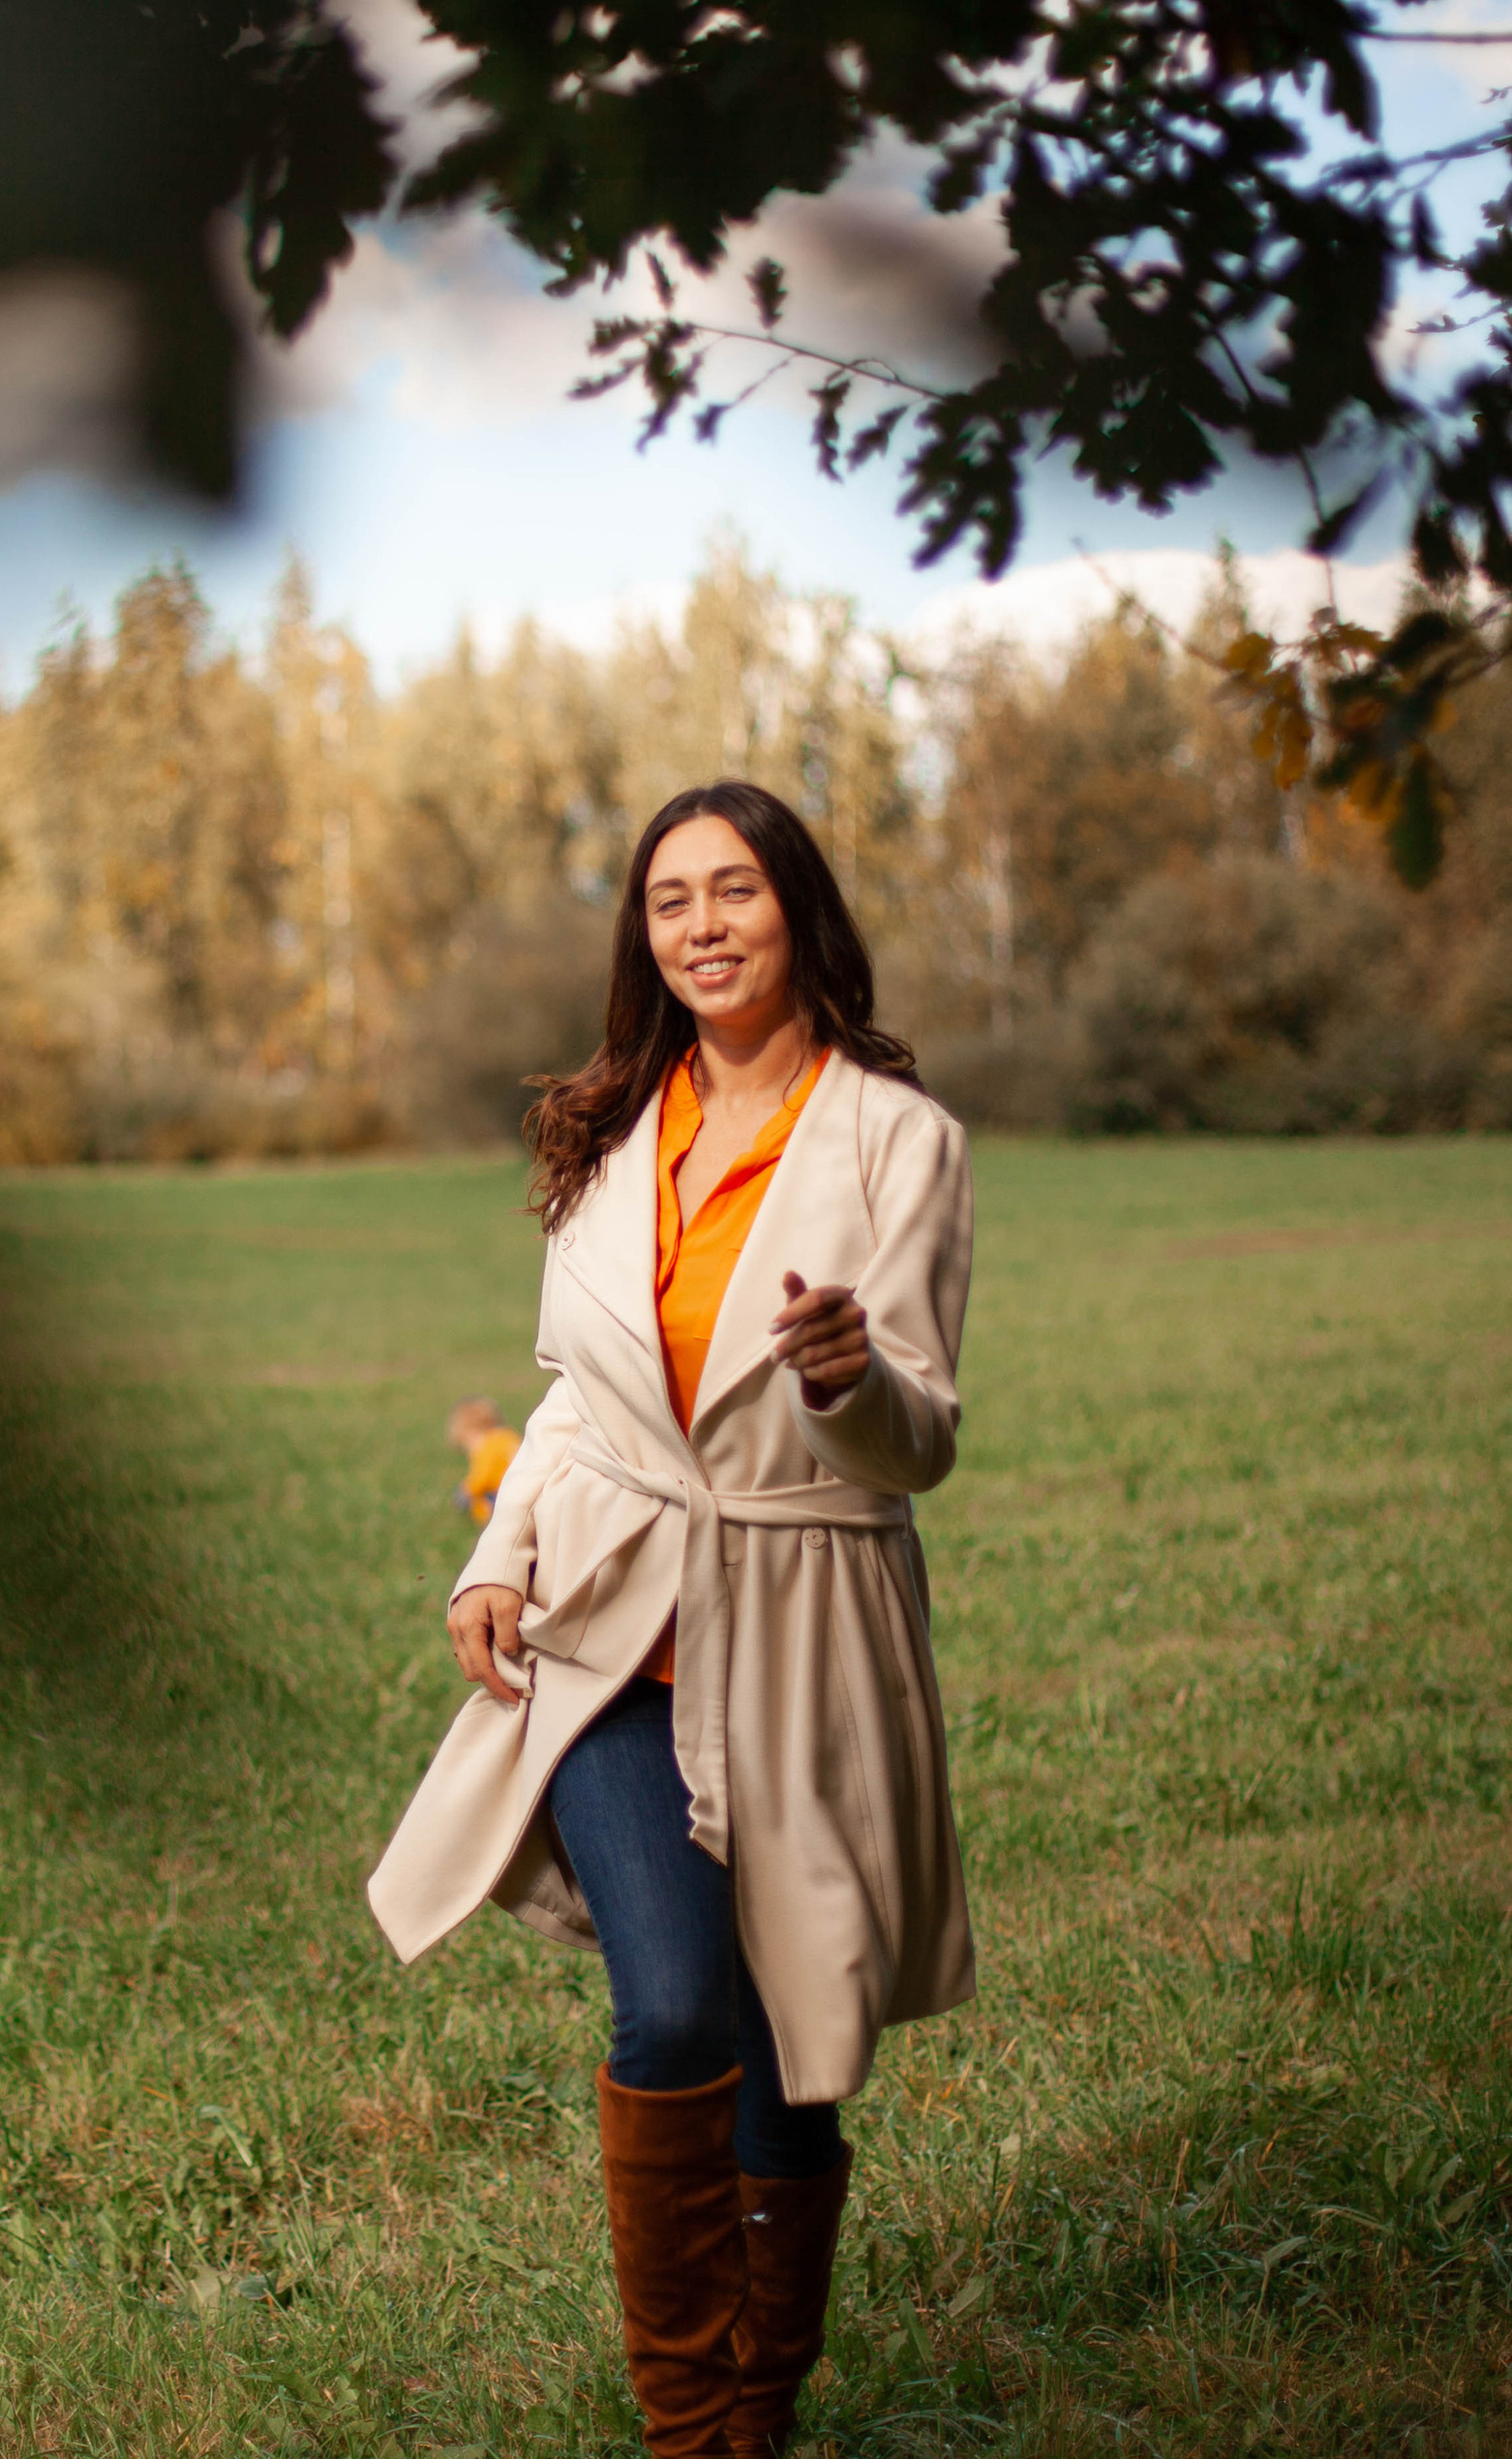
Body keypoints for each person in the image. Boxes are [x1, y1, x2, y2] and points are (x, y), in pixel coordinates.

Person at [368, 782, 976, 2459]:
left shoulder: (896, 1141)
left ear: (801, 911)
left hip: (805, 1625)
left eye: (737, 891)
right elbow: (580, 1400)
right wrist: (494, 1557)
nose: (702, 925)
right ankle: (692, 2430)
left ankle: (763, 2404)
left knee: (797, 2042)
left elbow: (925, 1430)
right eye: (668, 902)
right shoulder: (611, 1133)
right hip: (612, 1630)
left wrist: (854, 1383)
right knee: (676, 2009)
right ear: (643, 937)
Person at [446, 1396, 523, 1527]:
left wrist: (467, 1490)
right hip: (527, 1485)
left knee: (477, 1503)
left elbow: (482, 1476)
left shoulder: (486, 1446)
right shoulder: (507, 1435)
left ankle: (491, 1520)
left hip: (506, 1492)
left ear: (473, 1433)